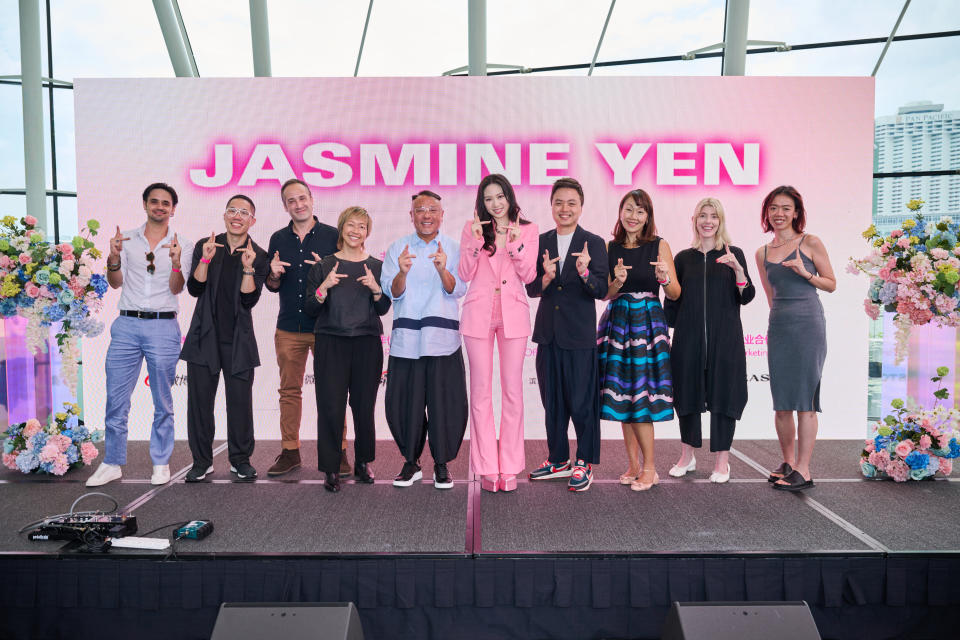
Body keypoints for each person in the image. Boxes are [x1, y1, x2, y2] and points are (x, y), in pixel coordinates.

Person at [86, 183, 194, 487]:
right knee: (115, 398)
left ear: (174, 209)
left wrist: (175, 264)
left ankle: (161, 462)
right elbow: (116, 282)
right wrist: (113, 256)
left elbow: (177, 288)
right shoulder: (127, 240)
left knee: (162, 399)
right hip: (127, 326)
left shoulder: (183, 244)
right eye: (154, 202)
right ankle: (112, 462)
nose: (160, 207)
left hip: (163, 325)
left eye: (166, 203)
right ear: (145, 204)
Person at [381, 190, 468, 489]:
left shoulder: (455, 249)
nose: (427, 214)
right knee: (405, 404)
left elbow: (458, 290)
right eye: (420, 209)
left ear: (442, 215)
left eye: (433, 209)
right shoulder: (397, 248)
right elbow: (392, 292)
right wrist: (402, 272)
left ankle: (441, 465)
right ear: (411, 215)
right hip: (407, 342)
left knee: (446, 404)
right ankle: (411, 463)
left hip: (443, 340)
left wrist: (443, 270)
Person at [526, 177, 608, 492]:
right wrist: (546, 277)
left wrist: (586, 272)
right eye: (559, 202)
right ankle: (558, 459)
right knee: (553, 402)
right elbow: (532, 288)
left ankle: (584, 461)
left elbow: (601, 290)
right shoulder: (541, 240)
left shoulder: (594, 242)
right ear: (551, 205)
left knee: (582, 403)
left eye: (571, 203)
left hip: (580, 336)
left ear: (581, 207)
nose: (565, 208)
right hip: (548, 335)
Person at [180, 195, 269, 482]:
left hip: (238, 339)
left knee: (240, 402)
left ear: (252, 220)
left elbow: (249, 299)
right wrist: (205, 258)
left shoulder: (258, 253)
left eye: (244, 212)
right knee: (199, 403)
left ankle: (240, 460)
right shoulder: (206, 246)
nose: (237, 215)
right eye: (233, 210)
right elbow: (195, 288)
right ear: (224, 215)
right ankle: (201, 460)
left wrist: (248, 266)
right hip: (204, 336)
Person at [665, 197, 754, 484]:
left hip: (725, 342)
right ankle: (687, 455)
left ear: (720, 221)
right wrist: (665, 283)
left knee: (724, 397)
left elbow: (747, 296)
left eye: (713, 216)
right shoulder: (682, 258)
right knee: (687, 395)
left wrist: (738, 271)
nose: (707, 221)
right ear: (694, 220)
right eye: (702, 215)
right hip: (688, 342)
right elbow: (672, 306)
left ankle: (722, 461)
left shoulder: (733, 253)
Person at [458, 174, 538, 493]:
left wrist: (515, 244)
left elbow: (529, 275)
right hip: (478, 313)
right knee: (480, 392)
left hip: (513, 313)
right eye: (488, 199)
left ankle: (510, 467)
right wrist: (477, 243)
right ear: (482, 202)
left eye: (500, 197)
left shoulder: (528, 230)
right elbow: (464, 274)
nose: (495, 204)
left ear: (509, 197)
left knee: (512, 392)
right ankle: (487, 466)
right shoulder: (473, 229)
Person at [754, 185, 836, 492]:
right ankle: (788, 463)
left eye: (786, 208)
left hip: (808, 324)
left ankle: (805, 469)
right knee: (782, 401)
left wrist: (805, 273)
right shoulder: (761, 253)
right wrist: (778, 322)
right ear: (767, 212)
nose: (779, 214)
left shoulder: (810, 242)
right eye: (774, 208)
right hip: (780, 326)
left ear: (796, 212)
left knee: (805, 401)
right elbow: (770, 296)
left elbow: (831, 284)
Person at [597, 188, 679, 492]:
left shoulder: (660, 245)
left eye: (640, 211)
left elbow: (674, 294)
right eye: (629, 209)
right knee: (622, 398)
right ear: (621, 212)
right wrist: (616, 282)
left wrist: (664, 279)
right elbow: (604, 293)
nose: (633, 216)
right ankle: (633, 465)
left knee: (641, 397)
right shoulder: (611, 246)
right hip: (617, 323)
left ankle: (650, 468)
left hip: (647, 323)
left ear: (648, 216)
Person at [304, 207, 390, 492]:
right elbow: (310, 308)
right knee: (330, 407)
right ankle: (330, 468)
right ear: (342, 228)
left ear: (368, 232)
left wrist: (376, 289)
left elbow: (383, 308)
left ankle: (363, 462)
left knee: (364, 407)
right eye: (351, 225)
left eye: (362, 226)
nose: (356, 231)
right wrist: (324, 287)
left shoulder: (377, 266)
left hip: (367, 343)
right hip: (331, 342)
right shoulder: (324, 265)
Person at [263, 179, 342, 477]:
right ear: (285, 206)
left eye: (302, 198)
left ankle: (338, 452)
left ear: (312, 199)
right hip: (288, 326)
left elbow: (344, 284)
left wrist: (326, 272)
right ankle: (290, 451)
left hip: (326, 327)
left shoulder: (333, 236)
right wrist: (271, 275)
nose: (298, 204)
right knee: (289, 391)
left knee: (332, 391)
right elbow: (273, 286)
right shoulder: (278, 239)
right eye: (291, 201)